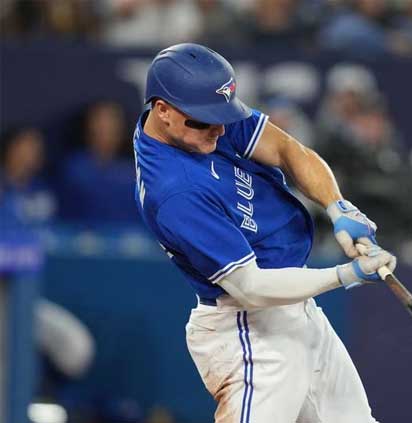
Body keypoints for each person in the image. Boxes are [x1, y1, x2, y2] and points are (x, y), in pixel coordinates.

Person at [132, 43, 396, 423]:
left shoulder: (194, 115)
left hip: (294, 309)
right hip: (247, 329)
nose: (220, 129)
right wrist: (347, 274)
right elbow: (251, 286)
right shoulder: (174, 192)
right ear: (163, 112)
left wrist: (338, 206)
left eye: (221, 116)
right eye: (206, 120)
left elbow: (287, 149)